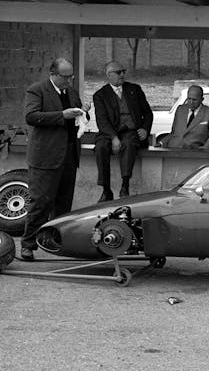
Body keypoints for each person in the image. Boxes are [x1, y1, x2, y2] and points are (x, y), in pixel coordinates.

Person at [20, 58, 90, 261]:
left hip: (69, 153)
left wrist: (84, 111)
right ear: (53, 74)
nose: (69, 80)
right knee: (41, 201)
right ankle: (28, 244)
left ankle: (55, 241)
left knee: (63, 202)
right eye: (66, 76)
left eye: (71, 76)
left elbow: (76, 117)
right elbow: (31, 117)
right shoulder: (37, 90)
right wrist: (62, 115)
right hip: (45, 156)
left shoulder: (72, 92)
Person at [93, 61, 153, 201]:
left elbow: (148, 113)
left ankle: (125, 185)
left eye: (123, 71)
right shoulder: (100, 95)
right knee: (101, 147)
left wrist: (145, 128)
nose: (122, 75)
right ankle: (106, 189)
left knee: (129, 143)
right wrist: (113, 137)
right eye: (118, 72)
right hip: (109, 131)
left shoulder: (135, 89)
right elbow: (102, 121)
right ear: (109, 75)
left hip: (130, 130)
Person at [159, 85, 209, 149]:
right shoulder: (180, 110)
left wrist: (203, 150)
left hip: (195, 153)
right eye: (189, 99)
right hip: (173, 150)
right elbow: (173, 133)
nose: (191, 102)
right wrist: (161, 143)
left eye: (194, 100)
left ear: (202, 99)